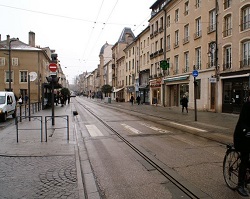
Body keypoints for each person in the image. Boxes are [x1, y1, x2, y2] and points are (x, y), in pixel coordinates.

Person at [233, 95, 250, 197]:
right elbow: (243, 122)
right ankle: (240, 185)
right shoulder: (247, 106)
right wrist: (247, 131)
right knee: (245, 158)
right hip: (242, 137)